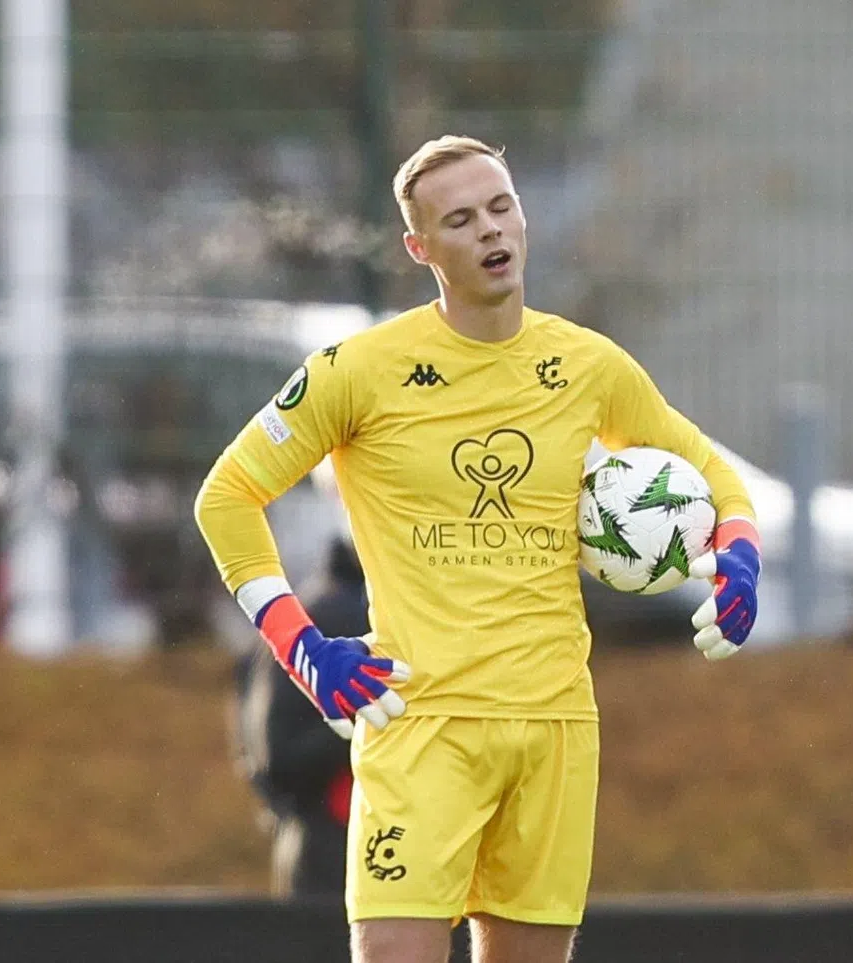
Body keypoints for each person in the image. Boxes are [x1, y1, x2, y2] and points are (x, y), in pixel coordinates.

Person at [193, 135, 761, 963]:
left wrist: (739, 551)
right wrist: (301, 644)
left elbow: (710, 471)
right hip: (420, 721)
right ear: (419, 248)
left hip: (553, 726)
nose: (490, 231)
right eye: (460, 219)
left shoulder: (587, 365)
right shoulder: (359, 371)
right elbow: (226, 495)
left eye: (501, 207)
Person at [233, 536, 369, 899]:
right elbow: (277, 758)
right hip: (334, 850)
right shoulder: (326, 614)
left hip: (332, 847)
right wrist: (368, 718)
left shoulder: (313, 608)